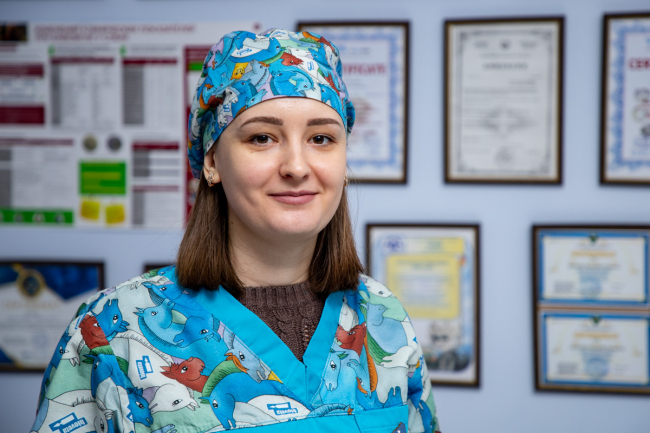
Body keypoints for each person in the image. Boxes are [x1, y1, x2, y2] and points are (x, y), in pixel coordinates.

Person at [31, 28, 441, 433]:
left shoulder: (383, 318)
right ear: (211, 162)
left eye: (321, 138)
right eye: (262, 138)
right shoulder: (113, 330)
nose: (297, 167)